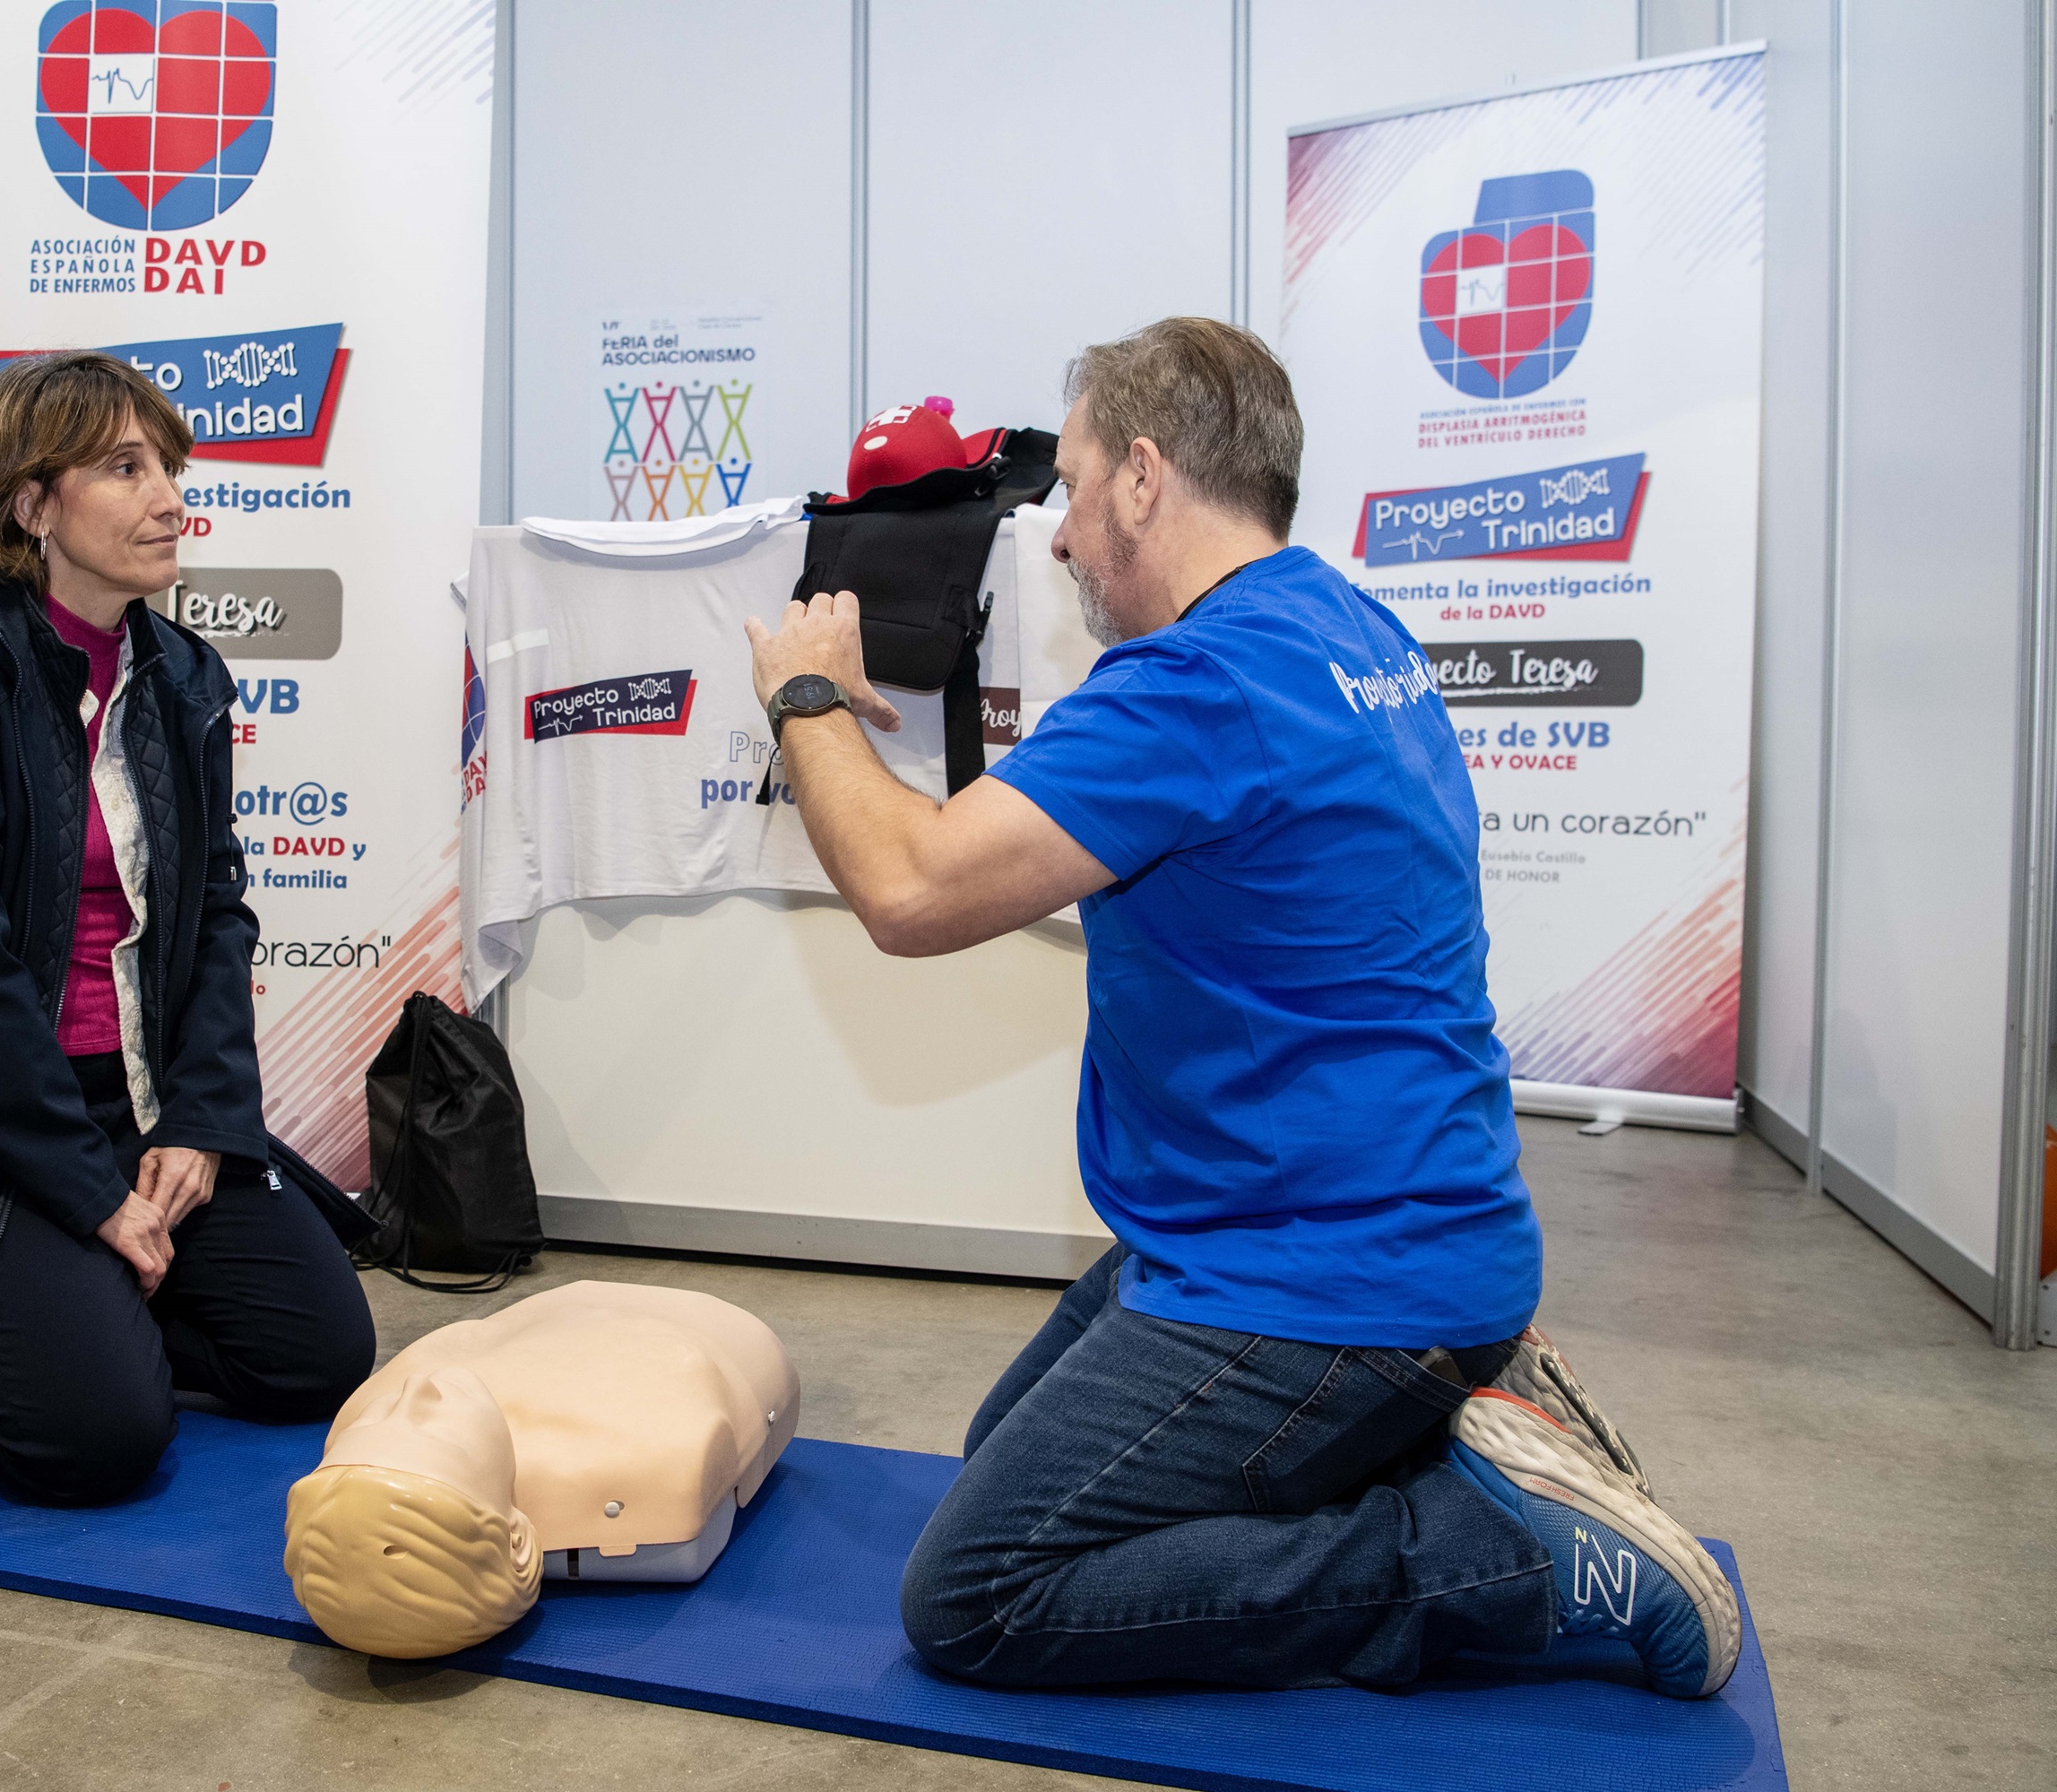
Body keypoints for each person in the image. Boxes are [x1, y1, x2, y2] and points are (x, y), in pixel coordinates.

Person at [741, 318, 1739, 1699]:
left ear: (1144, 477)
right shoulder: (1346, 629)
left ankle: (1506, 1558)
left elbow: (909, 891)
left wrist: (803, 695)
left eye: (1073, 487)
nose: (1061, 535)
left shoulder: (1194, 691)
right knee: (1002, 1455)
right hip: (1389, 1226)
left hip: (1332, 1271)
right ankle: (1453, 1426)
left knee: (978, 1591)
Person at [0, 351, 374, 1505]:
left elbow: (217, 912)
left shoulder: (182, 674)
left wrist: (202, 1123)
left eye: (171, 468)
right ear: (33, 503)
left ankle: (85, 1309)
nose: (171, 499)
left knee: (319, 1355)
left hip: (142, 1098)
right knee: (99, 1443)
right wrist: (92, 1193)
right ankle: (4, 1313)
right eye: (126, 469)